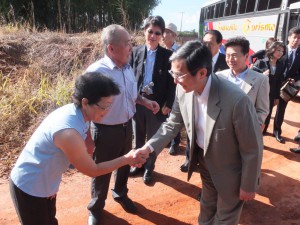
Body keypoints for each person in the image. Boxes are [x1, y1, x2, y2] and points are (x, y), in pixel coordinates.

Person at [135, 40, 263, 225]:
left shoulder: (236, 101)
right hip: (204, 163)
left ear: (202, 73)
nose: (174, 80)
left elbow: (253, 147)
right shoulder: (182, 88)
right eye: (173, 73)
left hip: (231, 172)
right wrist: (148, 148)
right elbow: (172, 124)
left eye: (179, 75)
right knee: (206, 209)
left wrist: (248, 185)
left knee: (225, 218)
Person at [9, 72, 149, 225]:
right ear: (85, 102)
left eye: (110, 106)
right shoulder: (68, 133)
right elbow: (93, 170)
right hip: (29, 187)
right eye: (103, 107)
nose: (107, 111)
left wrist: (88, 139)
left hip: (46, 185)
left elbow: (85, 126)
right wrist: (127, 159)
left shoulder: (77, 112)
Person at [85, 24, 159, 225]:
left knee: (126, 162)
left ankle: (120, 193)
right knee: (102, 170)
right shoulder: (96, 72)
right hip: (105, 131)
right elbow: (81, 108)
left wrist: (145, 101)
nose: (131, 47)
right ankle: (96, 208)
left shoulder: (127, 67)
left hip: (127, 127)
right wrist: (87, 137)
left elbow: (132, 96)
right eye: (127, 44)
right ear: (111, 48)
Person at [129, 16, 175, 184]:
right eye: (150, 32)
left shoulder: (168, 55)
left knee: (153, 139)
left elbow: (172, 84)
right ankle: (138, 165)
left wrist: (168, 104)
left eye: (157, 33)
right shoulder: (135, 52)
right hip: (138, 101)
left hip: (157, 105)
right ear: (144, 32)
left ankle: (149, 167)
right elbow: (129, 77)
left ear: (162, 35)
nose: (153, 36)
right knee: (139, 137)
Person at [180, 29, 230, 174]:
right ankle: (189, 160)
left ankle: (209, 165)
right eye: (204, 43)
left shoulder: (225, 62)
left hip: (216, 106)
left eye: (210, 43)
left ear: (219, 44)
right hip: (197, 101)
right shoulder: (195, 59)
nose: (206, 46)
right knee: (193, 131)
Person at [216, 36, 270, 130]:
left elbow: (262, 110)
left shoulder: (260, 79)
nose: (230, 59)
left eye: (234, 55)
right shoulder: (219, 76)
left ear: (246, 56)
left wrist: (253, 127)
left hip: (245, 129)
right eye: (228, 55)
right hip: (221, 128)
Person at [252, 41, 286, 134]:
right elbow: (251, 77)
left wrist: (277, 97)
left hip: (271, 96)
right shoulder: (261, 62)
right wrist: (262, 75)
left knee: (267, 116)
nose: (280, 53)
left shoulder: (280, 65)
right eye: (278, 50)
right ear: (272, 49)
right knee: (255, 116)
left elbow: (278, 82)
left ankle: (262, 136)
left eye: (282, 51)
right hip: (258, 95)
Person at [273, 27, 300, 143]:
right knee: (268, 107)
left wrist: (295, 79)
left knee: (281, 109)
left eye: (299, 38)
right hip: (275, 84)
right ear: (289, 38)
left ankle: (277, 131)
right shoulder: (280, 49)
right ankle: (262, 129)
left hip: (287, 87)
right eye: (294, 37)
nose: (296, 40)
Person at [163, 22, 182, 155]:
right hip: (162, 88)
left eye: (166, 32)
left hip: (176, 87)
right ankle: (167, 140)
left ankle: (175, 142)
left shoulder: (180, 51)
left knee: (174, 115)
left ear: (174, 35)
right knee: (164, 115)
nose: (163, 35)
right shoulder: (159, 50)